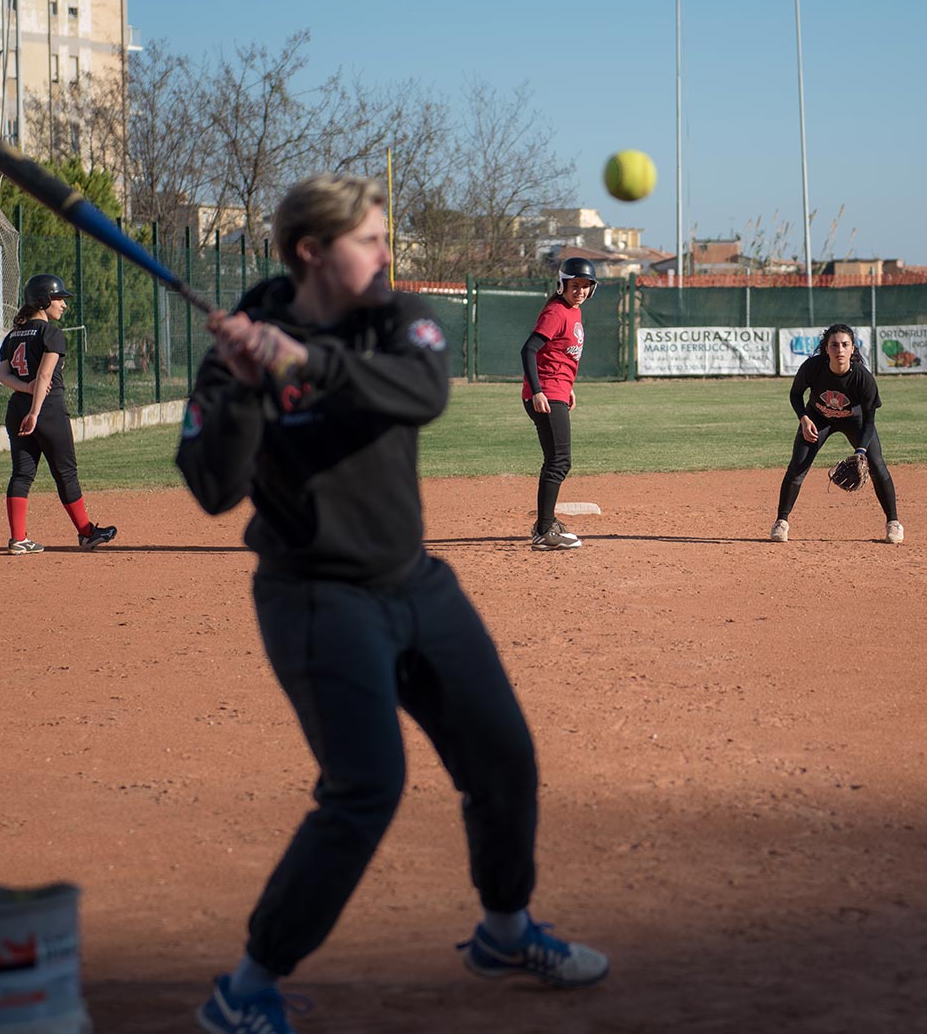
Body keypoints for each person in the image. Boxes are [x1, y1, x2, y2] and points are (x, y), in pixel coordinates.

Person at [177, 174, 608, 1034]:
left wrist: (303, 361)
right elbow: (212, 486)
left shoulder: (394, 315)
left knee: (503, 756)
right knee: (366, 786)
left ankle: (504, 929)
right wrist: (245, 386)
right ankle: (246, 986)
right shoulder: (244, 337)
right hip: (314, 594)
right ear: (311, 251)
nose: (385, 254)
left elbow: (422, 391)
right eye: (369, 240)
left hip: (414, 581)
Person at [0, 274, 117, 554]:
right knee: (66, 472)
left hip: (17, 407)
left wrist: (26, 390)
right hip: (47, 409)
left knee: (22, 474)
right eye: (58, 298)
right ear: (43, 300)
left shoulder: (12, 335)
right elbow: (44, 376)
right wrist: (35, 412)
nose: (63, 304)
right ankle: (86, 533)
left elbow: (4, 376)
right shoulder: (51, 333)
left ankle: (18, 539)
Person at [771, 323, 902, 545]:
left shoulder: (863, 378)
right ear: (826, 348)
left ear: (852, 349)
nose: (839, 350)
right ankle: (781, 522)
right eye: (834, 345)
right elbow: (795, 394)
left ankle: (893, 523)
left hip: (855, 421)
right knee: (797, 467)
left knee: (877, 465)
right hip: (818, 418)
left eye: (845, 345)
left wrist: (861, 451)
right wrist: (804, 418)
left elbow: (869, 420)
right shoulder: (813, 367)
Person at [520, 256, 596, 550]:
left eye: (585, 286)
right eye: (574, 285)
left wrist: (568, 387)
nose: (580, 291)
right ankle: (543, 532)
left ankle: (546, 523)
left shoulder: (573, 311)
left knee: (556, 460)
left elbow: (559, 354)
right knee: (559, 461)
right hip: (546, 395)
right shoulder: (556, 312)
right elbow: (529, 349)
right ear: (562, 285)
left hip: (557, 391)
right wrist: (538, 390)